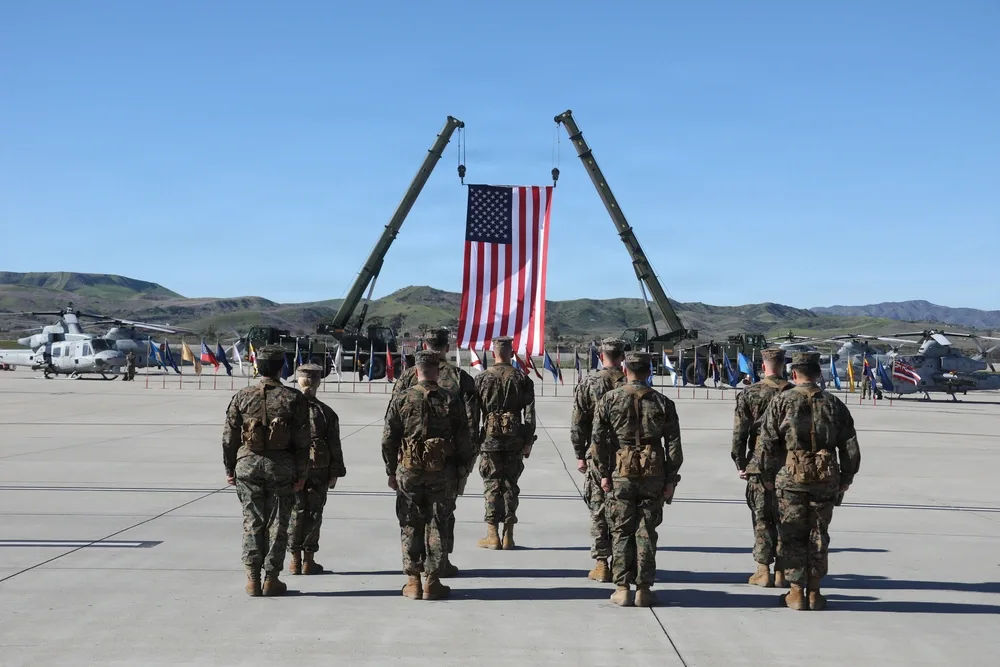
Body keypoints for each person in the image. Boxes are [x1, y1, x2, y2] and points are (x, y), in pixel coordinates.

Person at [753, 351, 862, 611]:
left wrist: (766, 477)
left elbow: (767, 443)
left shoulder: (781, 402)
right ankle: (815, 591)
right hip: (825, 480)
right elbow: (850, 447)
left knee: (791, 534)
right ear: (818, 374)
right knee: (818, 534)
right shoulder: (834, 404)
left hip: (790, 479)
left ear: (794, 374)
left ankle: (796, 592)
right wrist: (846, 478)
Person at [381, 350, 475, 600]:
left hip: (409, 471)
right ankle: (432, 581)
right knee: (437, 523)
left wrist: (391, 470)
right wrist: (463, 468)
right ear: (437, 371)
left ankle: (412, 581)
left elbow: (389, 439)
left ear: (415, 370)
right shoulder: (450, 399)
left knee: (410, 523)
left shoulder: (401, 398)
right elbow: (464, 438)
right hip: (441, 470)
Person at [593, 351, 683, 607]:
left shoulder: (609, 399)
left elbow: (598, 441)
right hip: (653, 472)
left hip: (621, 472)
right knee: (646, 530)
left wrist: (603, 473)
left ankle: (622, 588)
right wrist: (670, 478)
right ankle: (643, 588)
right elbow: (674, 445)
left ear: (625, 368)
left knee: (621, 529)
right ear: (649, 370)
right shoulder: (663, 402)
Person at [222, 345, 309, 597]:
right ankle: (271, 579)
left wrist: (230, 468)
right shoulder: (294, 398)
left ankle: (252, 578)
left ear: (257, 366)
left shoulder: (242, 396)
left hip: (247, 466)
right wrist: (302, 474)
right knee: (278, 524)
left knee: (252, 521)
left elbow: (229, 438)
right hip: (280, 468)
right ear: (281, 368)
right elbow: (304, 442)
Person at [731, 348, 793, 588]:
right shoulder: (794, 392)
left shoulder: (751, 392)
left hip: (759, 460)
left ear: (763, 365)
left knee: (762, 517)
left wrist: (740, 462)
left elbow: (740, 432)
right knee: (787, 518)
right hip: (790, 462)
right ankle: (782, 571)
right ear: (783, 364)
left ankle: (763, 570)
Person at [570, 336, 626, 582]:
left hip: (597, 454)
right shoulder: (630, 382)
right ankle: (622, 562)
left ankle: (601, 563)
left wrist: (579, 454)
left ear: (601, 355)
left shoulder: (589, 383)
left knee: (598, 508)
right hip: (627, 457)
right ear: (622, 357)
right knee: (624, 510)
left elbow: (578, 423)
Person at [474, 336, 536, 550]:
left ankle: (492, 534)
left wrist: (474, 441)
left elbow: (473, 415)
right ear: (511, 352)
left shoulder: (481, 379)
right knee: (510, 486)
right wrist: (528, 441)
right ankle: (508, 535)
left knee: (492, 485)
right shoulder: (522, 378)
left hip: (489, 441)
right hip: (514, 439)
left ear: (493, 353)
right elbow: (529, 415)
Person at [288, 363, 346, 575]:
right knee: (313, 513)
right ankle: (308, 560)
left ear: (298, 379)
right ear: (318, 382)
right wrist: (335, 472)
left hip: (292, 469)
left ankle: (294, 559)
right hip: (318, 468)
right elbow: (334, 445)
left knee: (294, 512)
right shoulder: (325, 412)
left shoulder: (288, 408)